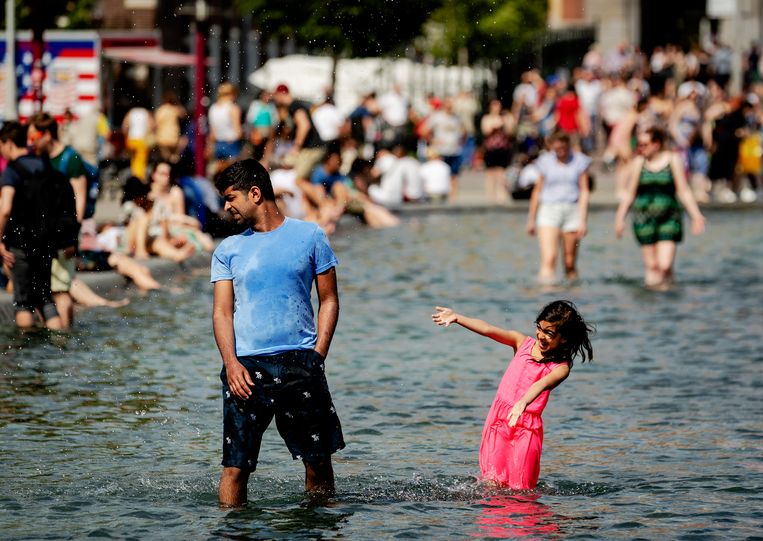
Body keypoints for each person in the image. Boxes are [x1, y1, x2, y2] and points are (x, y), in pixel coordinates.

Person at [210, 159, 345, 506]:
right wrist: (231, 363)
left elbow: (329, 300)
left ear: (255, 194)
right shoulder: (228, 250)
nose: (226, 207)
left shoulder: (311, 235)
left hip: (300, 363)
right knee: (235, 469)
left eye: (230, 197)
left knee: (317, 463)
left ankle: (318, 527)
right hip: (245, 368)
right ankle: (233, 531)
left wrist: (317, 356)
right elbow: (222, 312)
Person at [431, 300, 593, 489]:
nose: (541, 336)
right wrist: (458, 318)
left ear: (563, 338)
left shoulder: (560, 368)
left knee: (521, 488)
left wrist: (523, 402)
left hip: (527, 428)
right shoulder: (521, 342)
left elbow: (541, 384)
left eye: (549, 333)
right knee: (492, 483)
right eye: (539, 328)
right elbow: (487, 329)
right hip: (499, 420)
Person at [0, 121, 76, 330]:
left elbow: (5, 208)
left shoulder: (12, 171)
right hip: (45, 242)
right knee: (46, 299)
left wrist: (0, 240)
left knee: (23, 302)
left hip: (20, 242)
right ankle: (59, 341)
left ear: (8, 143)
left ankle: (26, 351)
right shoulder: (45, 166)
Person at [614, 127, 706, 290]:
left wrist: (696, 216)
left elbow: (683, 190)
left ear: (657, 144)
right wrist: (620, 218)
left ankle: (668, 294)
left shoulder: (673, 159)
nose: (640, 148)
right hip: (644, 219)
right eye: (639, 144)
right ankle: (653, 307)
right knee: (652, 266)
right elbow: (630, 193)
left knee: (664, 264)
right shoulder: (639, 162)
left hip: (669, 218)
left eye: (644, 144)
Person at [526, 132, 591, 284]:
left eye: (563, 147)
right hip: (549, 209)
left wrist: (583, 220)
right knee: (549, 258)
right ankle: (547, 295)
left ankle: (572, 295)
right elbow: (537, 191)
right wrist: (531, 219)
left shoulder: (579, 161)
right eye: (557, 148)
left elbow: (584, 191)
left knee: (569, 261)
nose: (560, 151)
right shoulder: (545, 161)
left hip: (572, 209)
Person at [208, 82, 243, 164]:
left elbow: (212, 134)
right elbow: (238, 132)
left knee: (221, 173)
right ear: (232, 94)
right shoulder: (233, 108)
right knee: (234, 173)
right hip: (231, 143)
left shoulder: (213, 108)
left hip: (218, 144)